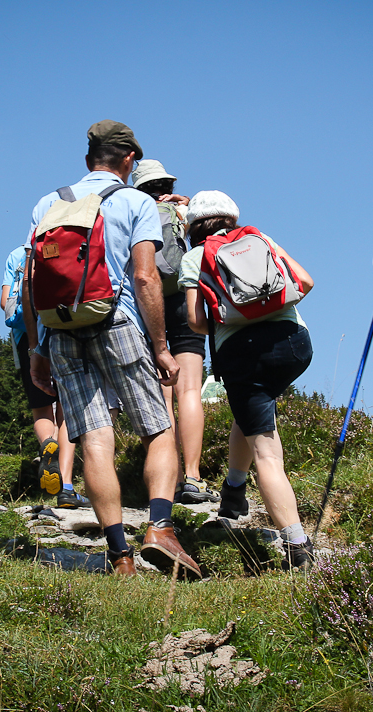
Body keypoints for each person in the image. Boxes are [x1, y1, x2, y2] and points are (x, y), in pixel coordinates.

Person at [25, 120, 201, 578]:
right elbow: (144, 277)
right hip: (116, 319)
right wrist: (161, 347)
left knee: (95, 438)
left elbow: (31, 282)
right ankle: (160, 529)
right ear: (128, 161)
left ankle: (120, 554)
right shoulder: (135, 200)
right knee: (158, 428)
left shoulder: (48, 202)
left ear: (88, 160)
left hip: (61, 328)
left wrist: (37, 349)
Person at [179, 190, 316, 570]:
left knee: (268, 453)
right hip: (294, 346)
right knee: (249, 411)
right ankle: (234, 491)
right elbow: (305, 282)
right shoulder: (261, 239)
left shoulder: (194, 257)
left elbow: (195, 322)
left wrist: (230, 319)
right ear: (232, 218)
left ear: (192, 225)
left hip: (242, 356)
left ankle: (297, 545)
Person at [129, 159, 216, 505]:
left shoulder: (134, 212)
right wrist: (187, 204)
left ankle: (170, 479)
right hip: (185, 298)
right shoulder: (183, 210)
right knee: (190, 390)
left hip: (148, 306)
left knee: (162, 395)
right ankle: (194, 477)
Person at [1, 243, 89, 509]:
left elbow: (5, 302)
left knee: (41, 410)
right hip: (60, 326)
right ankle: (66, 487)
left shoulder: (17, 254)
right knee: (65, 411)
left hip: (25, 337)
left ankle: (47, 444)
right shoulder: (67, 242)